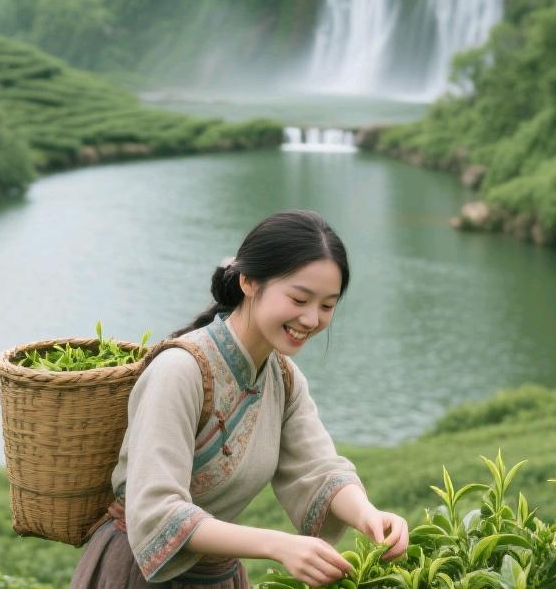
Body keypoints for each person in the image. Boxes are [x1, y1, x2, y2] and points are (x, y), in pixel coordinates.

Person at [70, 209, 409, 588]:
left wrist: (368, 516)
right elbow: (157, 510)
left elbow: (318, 469)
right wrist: (277, 544)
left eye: (327, 305)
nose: (312, 319)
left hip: (218, 575)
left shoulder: (283, 377)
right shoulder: (179, 370)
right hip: (137, 573)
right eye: (299, 299)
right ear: (248, 282)